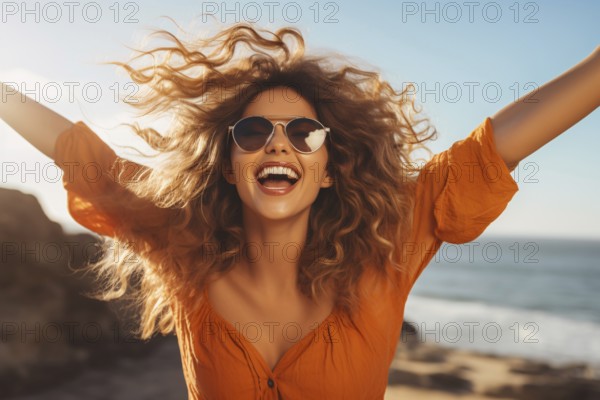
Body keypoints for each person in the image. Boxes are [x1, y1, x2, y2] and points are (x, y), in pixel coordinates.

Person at [1, 22, 598, 399]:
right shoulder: (182, 246)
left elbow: (499, 144)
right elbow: (86, 159)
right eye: (255, 130)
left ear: (330, 166)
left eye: (305, 133)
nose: (279, 144)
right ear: (230, 162)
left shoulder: (388, 247)